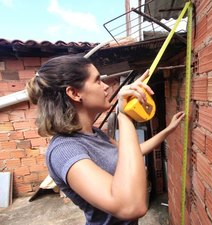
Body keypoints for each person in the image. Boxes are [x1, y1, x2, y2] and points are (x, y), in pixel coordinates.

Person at [26, 54, 185, 225]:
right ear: (74, 93)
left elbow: (132, 152)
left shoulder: (96, 134)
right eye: (97, 81)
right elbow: (131, 207)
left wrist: (169, 130)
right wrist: (124, 116)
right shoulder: (64, 151)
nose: (106, 87)